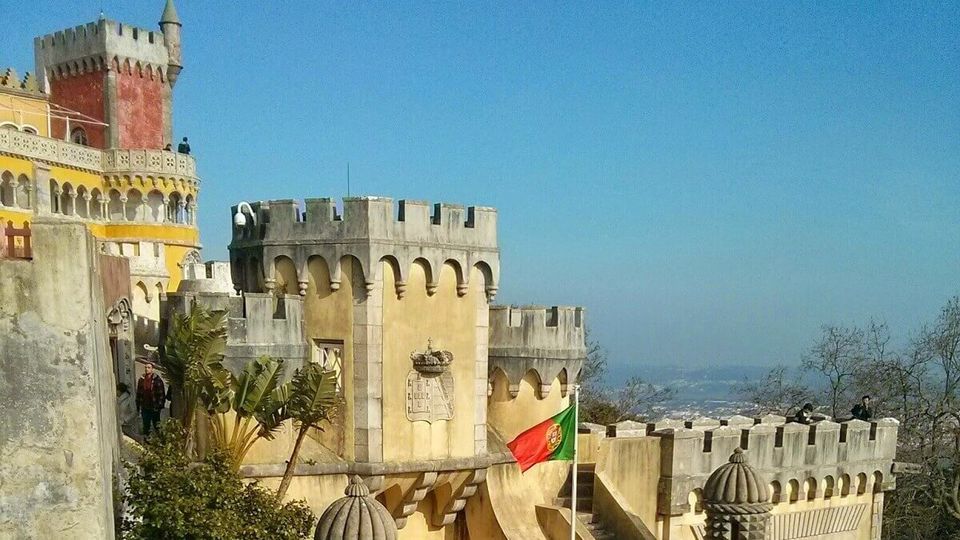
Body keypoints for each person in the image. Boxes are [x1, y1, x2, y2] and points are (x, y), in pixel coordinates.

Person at [136, 362, 166, 437]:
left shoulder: (157, 380)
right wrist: (138, 405)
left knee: (157, 425)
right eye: (145, 367)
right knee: (146, 425)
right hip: (145, 406)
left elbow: (161, 394)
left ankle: (160, 440)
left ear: (152, 369)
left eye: (149, 367)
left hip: (154, 406)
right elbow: (139, 393)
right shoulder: (142, 379)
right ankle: (146, 441)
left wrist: (159, 406)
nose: (147, 369)